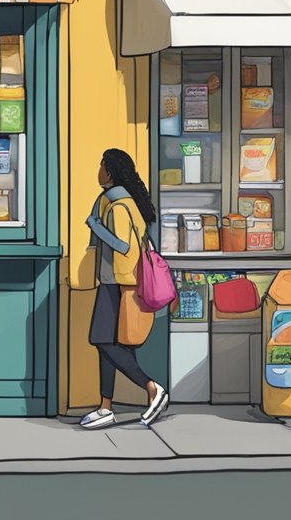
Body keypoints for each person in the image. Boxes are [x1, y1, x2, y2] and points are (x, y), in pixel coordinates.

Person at [81, 148, 169, 429]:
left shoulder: (118, 205)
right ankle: (105, 406)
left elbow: (124, 245)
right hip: (121, 281)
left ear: (110, 171)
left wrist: (95, 226)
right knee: (114, 345)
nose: (99, 171)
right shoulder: (125, 201)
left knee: (102, 340)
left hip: (117, 282)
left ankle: (152, 388)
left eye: (102, 165)